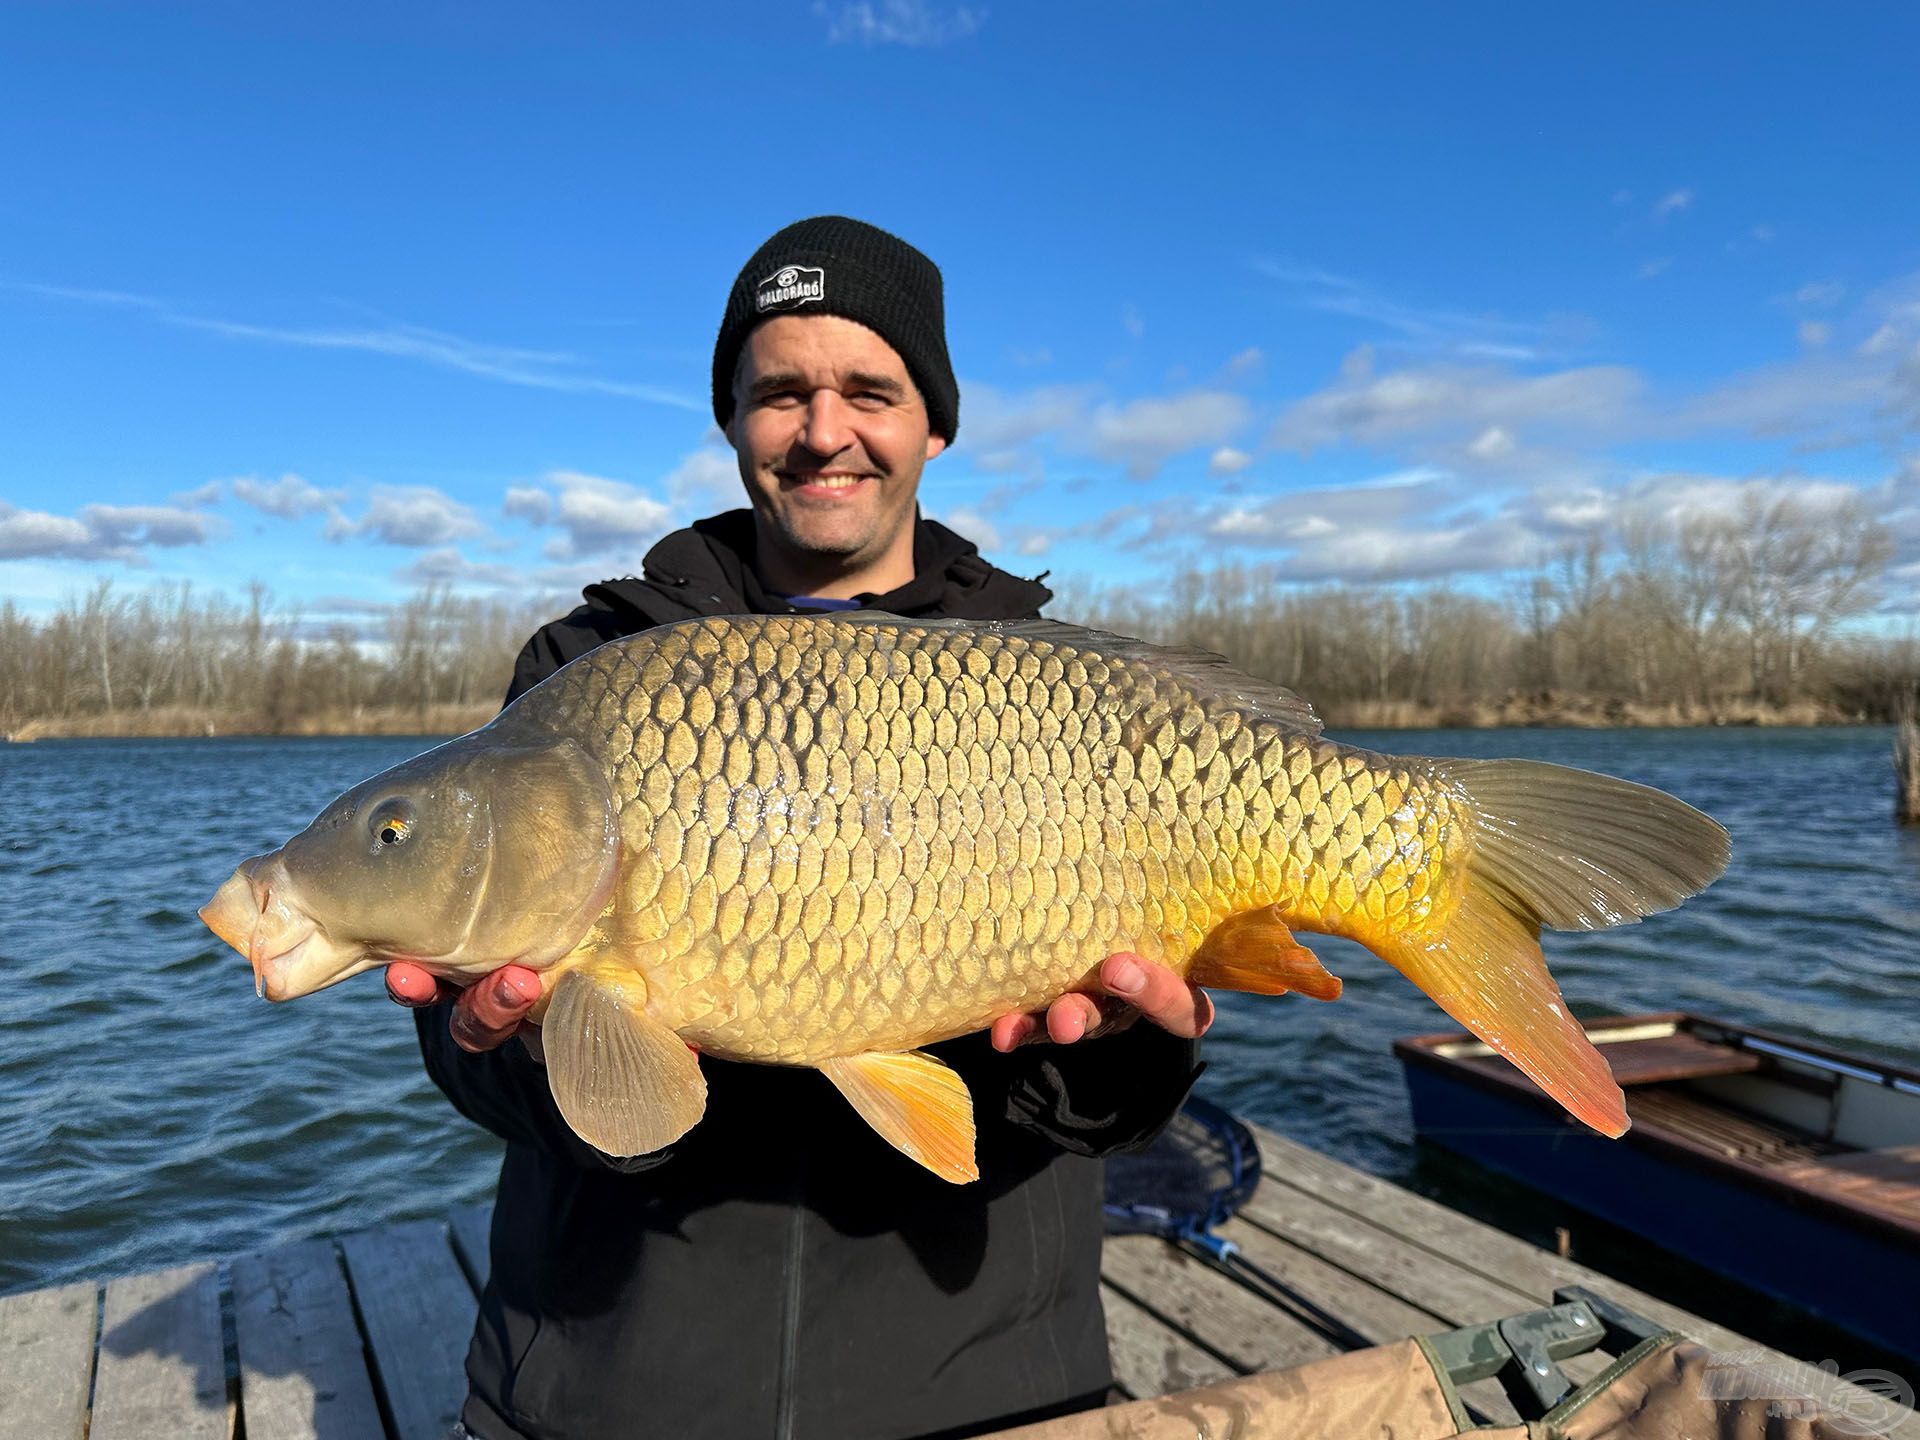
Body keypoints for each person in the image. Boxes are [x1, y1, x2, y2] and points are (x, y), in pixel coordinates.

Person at [387, 217, 1215, 1440]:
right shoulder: (588, 668)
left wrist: (1126, 1047)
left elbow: (1115, 1109)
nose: (824, 431)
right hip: (614, 1393)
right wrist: (518, 1043)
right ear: (731, 418)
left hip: (986, 1393)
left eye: (870, 391)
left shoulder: (1052, 687)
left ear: (933, 423)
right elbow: (479, 1074)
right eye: (780, 391)